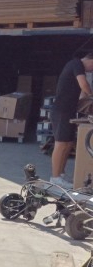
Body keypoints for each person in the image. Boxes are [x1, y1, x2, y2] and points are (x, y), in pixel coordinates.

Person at [49, 52, 93, 189]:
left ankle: (60, 175)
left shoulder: (78, 67)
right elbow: (84, 85)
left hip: (69, 111)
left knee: (68, 144)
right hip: (61, 111)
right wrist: (91, 95)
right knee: (61, 144)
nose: (91, 70)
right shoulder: (76, 64)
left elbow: (82, 93)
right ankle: (55, 178)